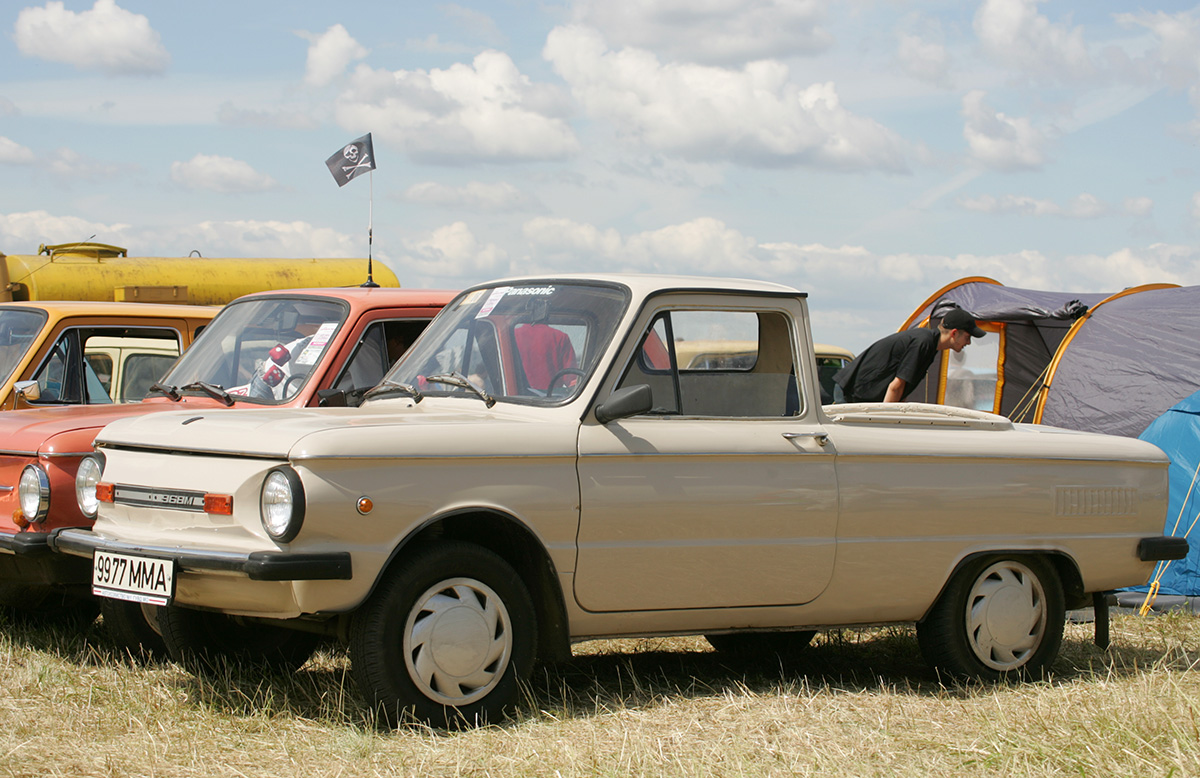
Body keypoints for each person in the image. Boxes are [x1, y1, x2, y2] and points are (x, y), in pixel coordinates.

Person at [833, 309, 986, 403]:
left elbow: (903, 390)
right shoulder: (923, 343)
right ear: (954, 333)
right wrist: (886, 422)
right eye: (967, 337)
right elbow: (896, 386)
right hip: (850, 392)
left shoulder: (930, 346)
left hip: (860, 394)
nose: (969, 342)